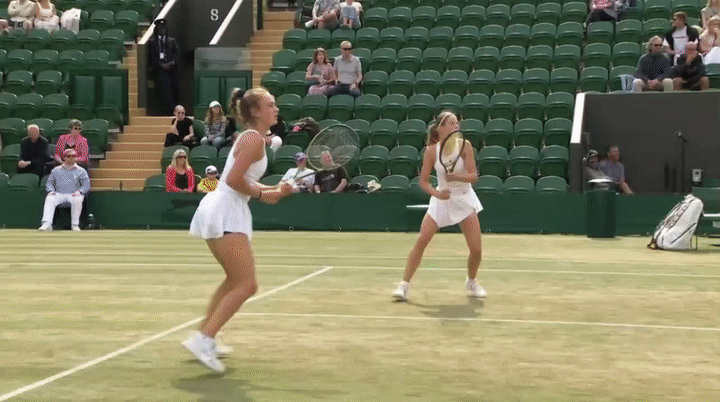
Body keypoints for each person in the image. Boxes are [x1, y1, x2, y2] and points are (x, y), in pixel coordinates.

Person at [184, 87, 293, 373]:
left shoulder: (253, 138)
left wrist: (274, 189)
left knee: (234, 280)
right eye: (270, 105)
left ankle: (204, 335)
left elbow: (243, 180)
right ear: (255, 111)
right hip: (226, 209)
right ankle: (204, 340)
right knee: (247, 284)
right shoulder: (254, 138)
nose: (276, 109)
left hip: (226, 207)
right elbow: (233, 180)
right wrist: (263, 194)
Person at [392, 111, 486, 301]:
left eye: (457, 123)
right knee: (422, 240)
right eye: (451, 123)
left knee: (476, 250)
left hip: (464, 198)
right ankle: (404, 285)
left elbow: (473, 176)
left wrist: (455, 177)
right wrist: (437, 194)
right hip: (441, 200)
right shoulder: (431, 152)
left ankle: (471, 281)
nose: (456, 126)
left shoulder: (465, 146)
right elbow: (423, 182)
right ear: (440, 128)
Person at [38, 148, 90, 232]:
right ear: (64, 158)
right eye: (68, 156)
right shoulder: (56, 170)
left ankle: (75, 225)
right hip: (58, 193)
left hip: (74, 194)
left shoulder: (81, 171)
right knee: (49, 198)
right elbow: (50, 183)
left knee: (78, 199)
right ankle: (46, 224)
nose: (71, 158)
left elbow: (86, 185)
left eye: (73, 156)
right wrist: (51, 191)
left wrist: (80, 192)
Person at [148, 18, 180, 116]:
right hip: (159, 70)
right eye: (160, 28)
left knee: (172, 90)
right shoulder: (152, 42)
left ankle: (172, 111)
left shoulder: (172, 41)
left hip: (172, 70)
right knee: (162, 91)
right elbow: (151, 57)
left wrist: (171, 63)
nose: (162, 30)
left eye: (163, 28)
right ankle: (162, 112)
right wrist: (161, 65)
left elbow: (177, 54)